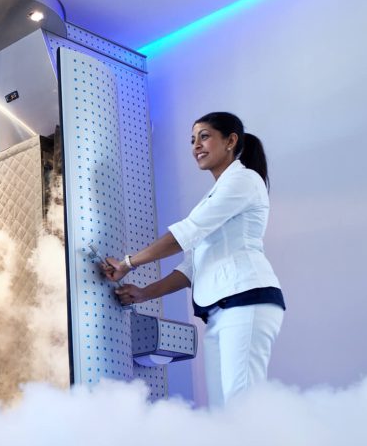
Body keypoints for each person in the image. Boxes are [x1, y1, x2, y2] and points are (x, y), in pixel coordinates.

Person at [102, 112, 285, 408]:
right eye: (192, 140)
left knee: (243, 407)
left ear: (230, 141)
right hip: (219, 312)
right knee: (221, 411)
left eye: (204, 136)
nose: (196, 146)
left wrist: (127, 263)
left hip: (247, 299)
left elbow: (183, 235)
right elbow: (192, 267)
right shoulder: (216, 193)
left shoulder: (243, 181)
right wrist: (143, 294)